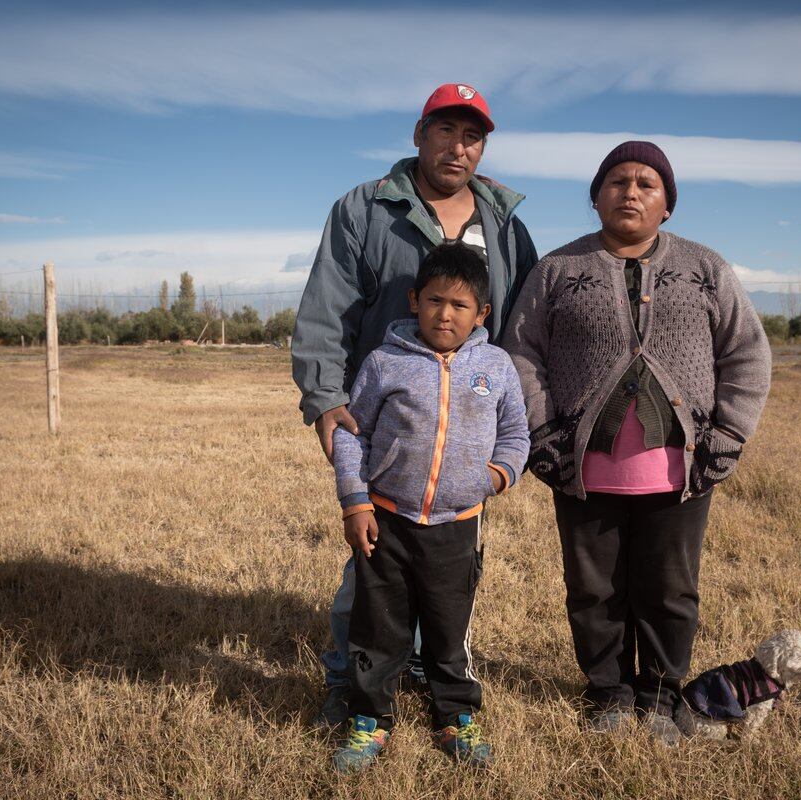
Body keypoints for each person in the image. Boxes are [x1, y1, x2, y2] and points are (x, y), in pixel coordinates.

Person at [501, 141, 772, 746]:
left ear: (667, 205)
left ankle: (660, 692)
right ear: (595, 196)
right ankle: (608, 692)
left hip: (680, 471)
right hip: (583, 468)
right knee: (595, 589)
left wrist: (725, 438)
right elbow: (522, 352)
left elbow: (747, 353)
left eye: (647, 184)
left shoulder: (706, 268)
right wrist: (544, 434)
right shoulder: (556, 270)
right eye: (617, 181)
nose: (631, 192)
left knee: (670, 588)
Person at [290, 83, 538, 728]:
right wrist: (324, 398)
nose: (459, 147)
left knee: (450, 579)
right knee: (371, 574)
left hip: (464, 443)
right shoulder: (366, 210)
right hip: (386, 425)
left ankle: (431, 674)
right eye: (446, 131)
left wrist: (508, 445)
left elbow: (523, 329)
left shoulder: (505, 226)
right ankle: (351, 682)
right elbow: (327, 307)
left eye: (473, 136)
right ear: (420, 133)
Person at [329, 243, 529, 772]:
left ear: (481, 314)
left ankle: (455, 714)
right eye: (435, 300)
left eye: (460, 305)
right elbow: (354, 435)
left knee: (448, 626)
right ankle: (370, 720)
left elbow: (515, 434)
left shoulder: (496, 366)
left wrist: (495, 475)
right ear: (415, 300)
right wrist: (355, 502)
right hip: (387, 518)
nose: (445, 314)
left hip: (457, 525)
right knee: (378, 625)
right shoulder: (384, 361)